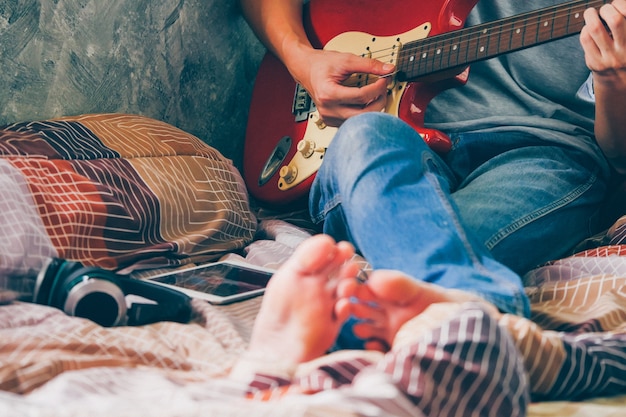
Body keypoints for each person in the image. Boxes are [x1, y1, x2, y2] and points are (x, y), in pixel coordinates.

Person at [238, 0, 626, 340]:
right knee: (362, 136)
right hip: (388, 130)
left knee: (440, 238)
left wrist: (614, 79)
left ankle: (448, 315)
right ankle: (472, 322)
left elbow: (619, 153)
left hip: (545, 153)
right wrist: (302, 58)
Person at [230, 234, 529, 416]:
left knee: (367, 134)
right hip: (531, 147)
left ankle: (266, 365)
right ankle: (482, 314)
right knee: (366, 136)